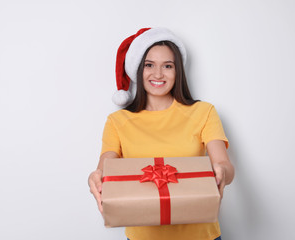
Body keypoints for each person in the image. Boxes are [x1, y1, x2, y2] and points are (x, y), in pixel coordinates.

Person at [88, 27, 234, 240]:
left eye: (168, 66)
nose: (158, 74)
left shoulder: (204, 112)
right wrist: (95, 177)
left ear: (178, 72)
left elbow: (225, 165)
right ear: (139, 69)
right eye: (149, 65)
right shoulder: (117, 122)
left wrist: (222, 172)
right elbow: (105, 166)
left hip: (201, 235)